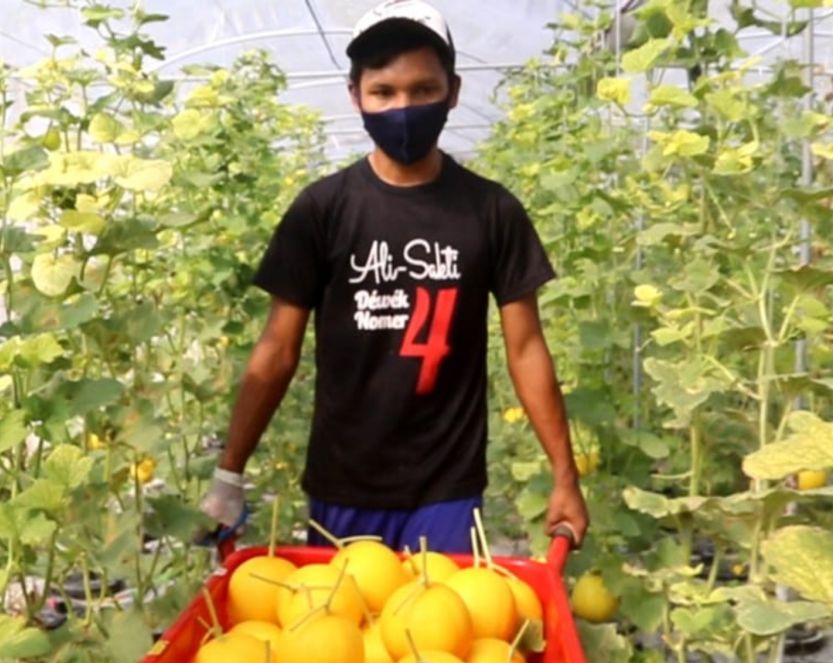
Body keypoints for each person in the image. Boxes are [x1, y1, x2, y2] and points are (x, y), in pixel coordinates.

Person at [199, 0, 588, 553]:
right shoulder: (322, 210)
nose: (402, 107)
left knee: (440, 637)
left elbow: (525, 349)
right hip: (344, 484)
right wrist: (228, 476)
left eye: (423, 90)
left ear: (453, 91)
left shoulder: (491, 211)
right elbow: (277, 349)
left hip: (447, 491)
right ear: (355, 94)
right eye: (384, 92)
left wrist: (565, 477)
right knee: (347, 635)